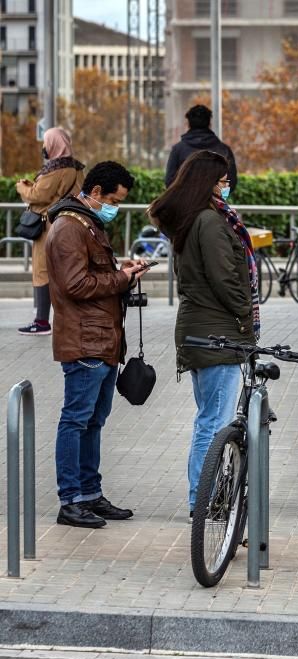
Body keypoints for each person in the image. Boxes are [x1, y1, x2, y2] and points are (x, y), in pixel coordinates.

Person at [148, 150, 257, 520]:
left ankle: (205, 496)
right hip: (217, 333)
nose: (228, 186)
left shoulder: (192, 220)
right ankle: (203, 499)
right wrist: (246, 319)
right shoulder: (210, 223)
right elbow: (225, 279)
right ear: (209, 182)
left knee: (209, 417)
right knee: (213, 422)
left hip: (200, 330)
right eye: (225, 181)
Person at [46, 161, 147, 528]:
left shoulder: (87, 223)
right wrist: (120, 278)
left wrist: (124, 271)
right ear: (96, 193)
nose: (116, 207)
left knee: (93, 421)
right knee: (75, 420)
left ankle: (89, 493)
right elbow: (76, 285)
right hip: (86, 340)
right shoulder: (69, 228)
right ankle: (70, 500)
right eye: (115, 200)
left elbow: (93, 275)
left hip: (102, 339)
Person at [15, 127, 85, 336]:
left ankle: (42, 322)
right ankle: (73, 319)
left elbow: (37, 195)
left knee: (43, 272)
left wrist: (22, 187)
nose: (44, 147)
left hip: (48, 228)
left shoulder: (55, 169)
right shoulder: (77, 168)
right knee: (67, 271)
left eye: (46, 143)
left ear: (53, 144)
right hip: (69, 225)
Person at [165, 105, 238, 191]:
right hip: (215, 202)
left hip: (186, 203)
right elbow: (231, 182)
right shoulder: (224, 150)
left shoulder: (178, 150)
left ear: (188, 124)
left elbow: (170, 182)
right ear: (209, 124)